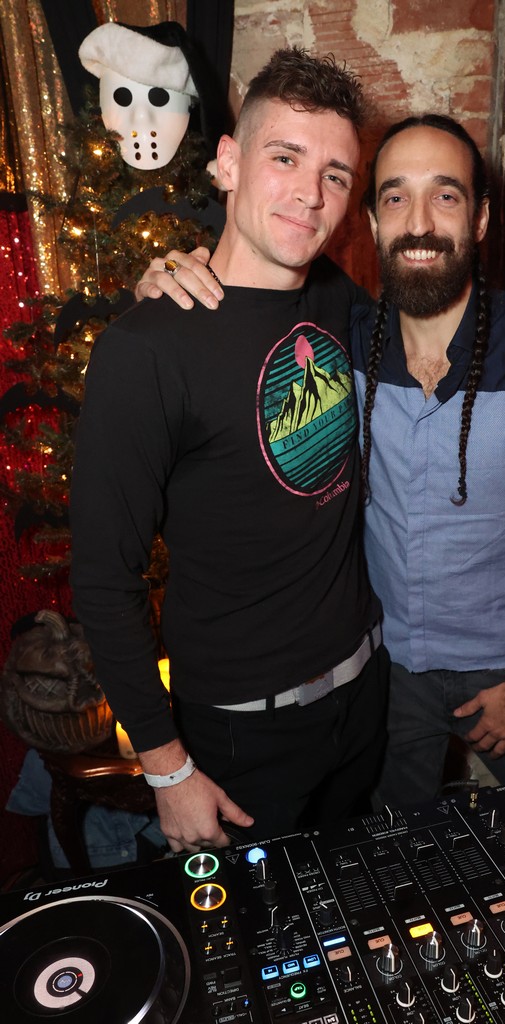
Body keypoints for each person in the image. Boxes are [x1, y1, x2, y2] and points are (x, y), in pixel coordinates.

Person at [139, 115, 505, 803]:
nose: (419, 223)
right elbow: (245, 311)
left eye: (445, 195)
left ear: (481, 219)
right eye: (396, 197)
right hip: (382, 672)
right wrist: (168, 276)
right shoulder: (342, 335)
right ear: (371, 222)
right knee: (385, 855)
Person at [69, 47, 389, 855]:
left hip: (364, 694)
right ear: (227, 163)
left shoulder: (337, 297)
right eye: (285, 158)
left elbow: (436, 325)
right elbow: (104, 579)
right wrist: (166, 768)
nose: (310, 194)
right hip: (245, 737)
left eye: (336, 175)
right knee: (251, 931)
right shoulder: (144, 349)